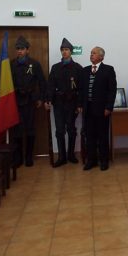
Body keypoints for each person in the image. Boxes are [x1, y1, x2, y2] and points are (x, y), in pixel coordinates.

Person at [45, 38, 83, 168]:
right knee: (60, 130)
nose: (64, 52)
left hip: (72, 104)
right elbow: (50, 86)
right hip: (59, 104)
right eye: (62, 50)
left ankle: (71, 155)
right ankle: (61, 157)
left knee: (71, 130)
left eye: (67, 50)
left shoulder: (77, 68)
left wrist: (79, 104)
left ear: (71, 51)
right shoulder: (55, 68)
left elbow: (81, 88)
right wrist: (48, 100)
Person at [10, 36, 46, 167]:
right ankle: (18, 157)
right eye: (18, 49)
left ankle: (29, 157)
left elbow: (42, 82)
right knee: (17, 131)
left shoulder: (35, 64)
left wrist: (41, 98)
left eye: (22, 48)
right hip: (16, 101)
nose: (19, 51)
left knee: (30, 129)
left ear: (27, 50)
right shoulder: (11, 64)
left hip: (30, 101)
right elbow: (7, 84)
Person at [81, 46, 117, 171]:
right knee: (89, 136)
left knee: (102, 136)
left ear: (101, 56)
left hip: (102, 110)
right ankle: (91, 160)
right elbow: (82, 90)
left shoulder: (108, 70)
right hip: (88, 109)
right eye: (91, 53)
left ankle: (104, 161)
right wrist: (80, 105)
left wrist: (109, 107)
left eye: (94, 53)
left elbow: (112, 90)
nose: (91, 55)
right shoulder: (85, 70)